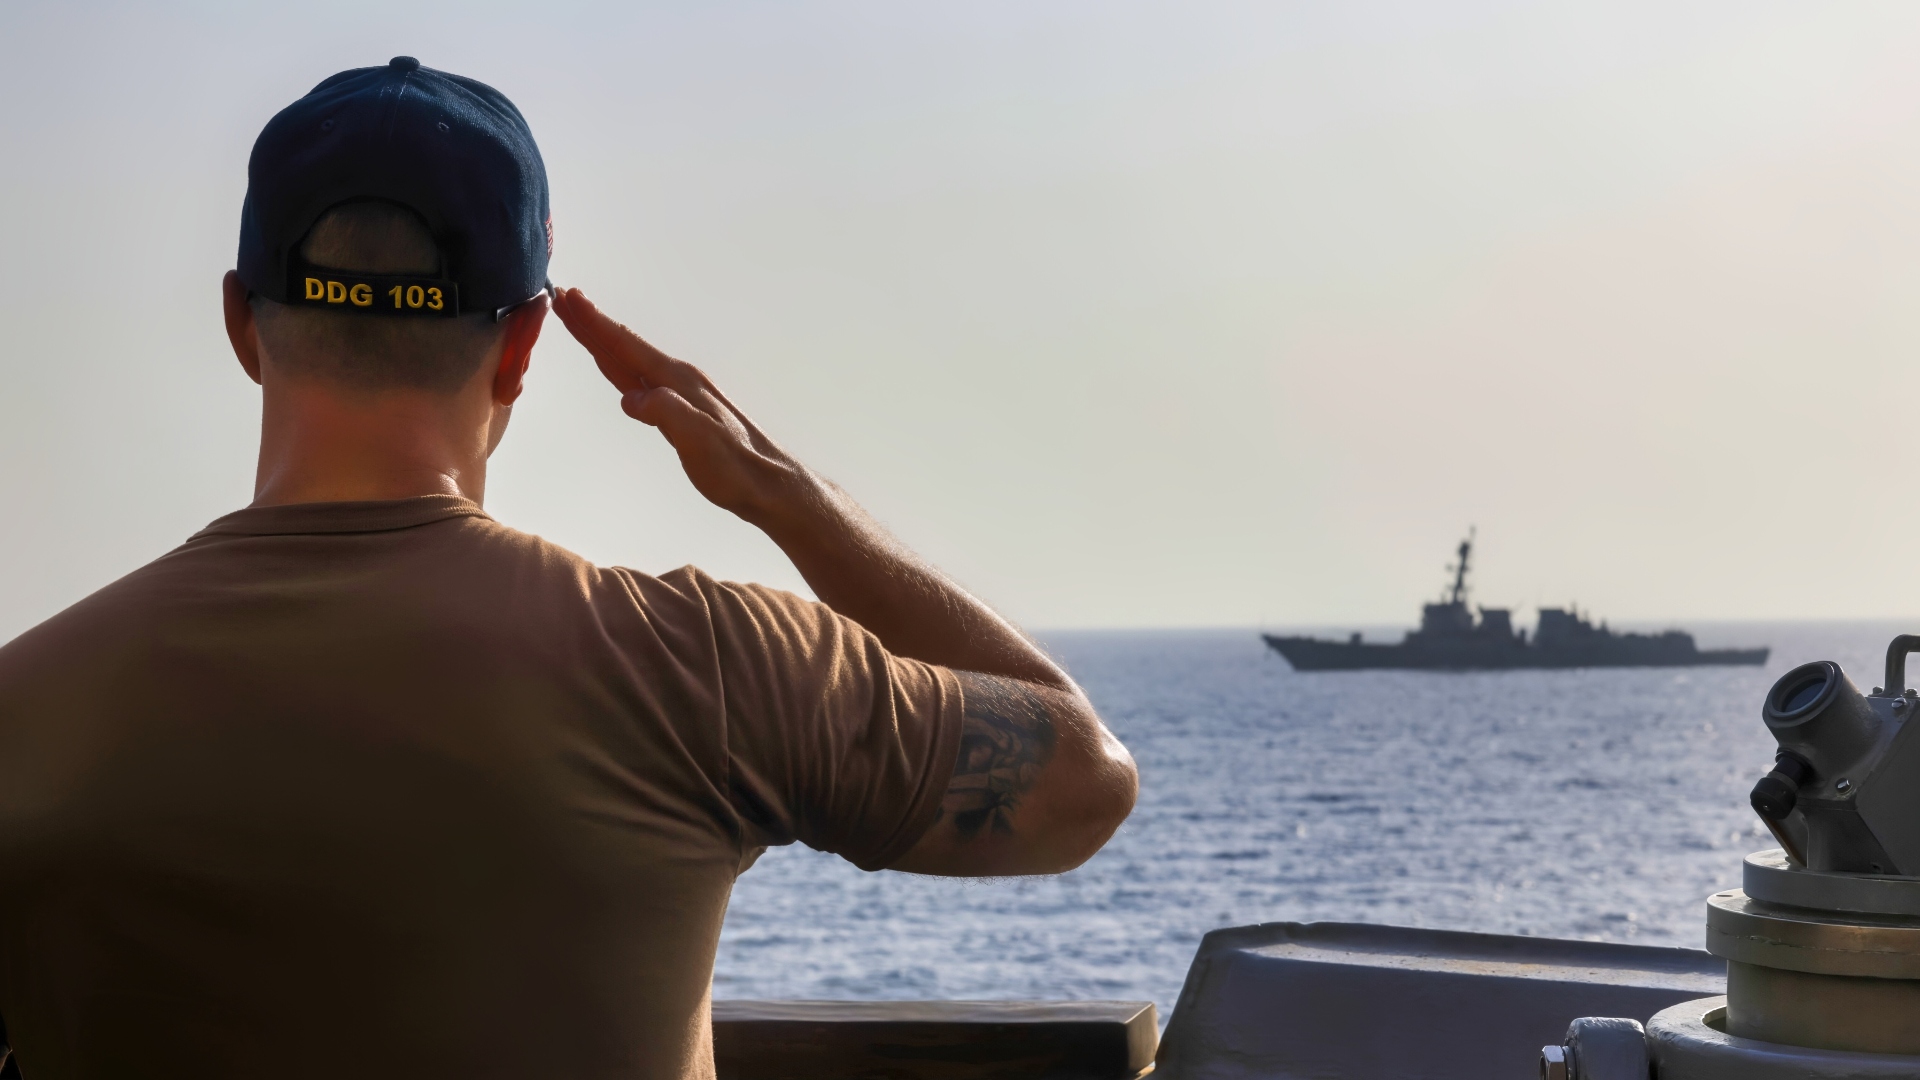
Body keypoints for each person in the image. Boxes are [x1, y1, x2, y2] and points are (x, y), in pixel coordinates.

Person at [0, 59, 1137, 1079]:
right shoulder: (704, 667)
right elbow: (1084, 781)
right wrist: (788, 495)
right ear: (526, 344)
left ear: (243, 323)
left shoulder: (29, 707)